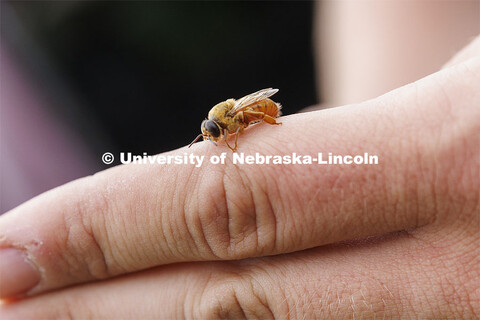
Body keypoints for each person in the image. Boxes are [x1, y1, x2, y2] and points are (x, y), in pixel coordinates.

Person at [1, 6, 479, 319]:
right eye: (211, 136)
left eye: (212, 135)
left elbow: (257, 111)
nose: (212, 140)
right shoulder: (216, 129)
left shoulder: (232, 123)